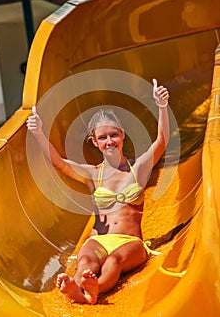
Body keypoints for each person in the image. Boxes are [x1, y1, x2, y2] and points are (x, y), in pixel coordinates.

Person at [26, 78, 170, 305]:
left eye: (114, 135)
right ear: (94, 142)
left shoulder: (138, 168)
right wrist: (38, 133)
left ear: (123, 135)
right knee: (85, 260)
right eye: (102, 138)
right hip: (100, 239)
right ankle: (75, 287)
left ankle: (95, 289)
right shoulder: (93, 174)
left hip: (130, 241)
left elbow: (161, 141)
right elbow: (59, 163)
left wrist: (162, 106)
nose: (109, 141)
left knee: (114, 261)